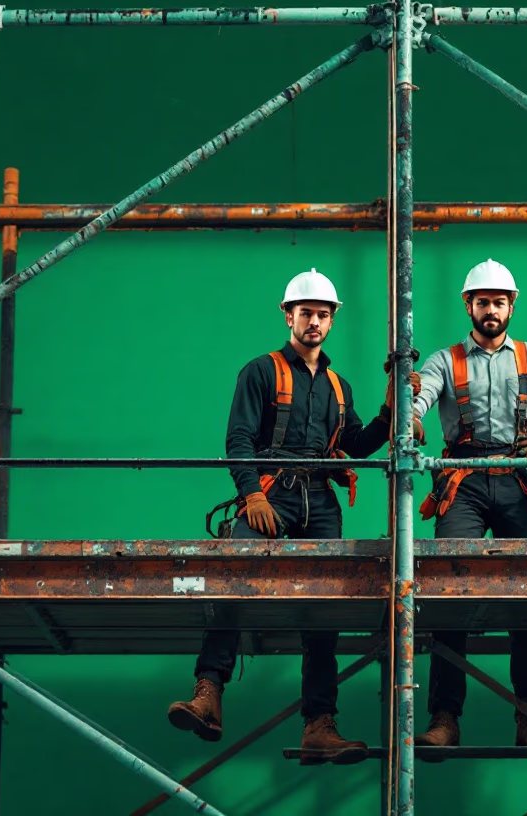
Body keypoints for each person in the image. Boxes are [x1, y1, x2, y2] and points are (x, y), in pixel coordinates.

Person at [168, 268, 403, 765]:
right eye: (306, 313)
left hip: (319, 499)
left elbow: (354, 446)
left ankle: (320, 722)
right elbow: (238, 438)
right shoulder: (260, 371)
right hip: (270, 492)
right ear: (288, 315)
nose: (314, 322)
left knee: (324, 610)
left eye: (322, 314)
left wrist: (387, 416)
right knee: (233, 575)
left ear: (332, 320)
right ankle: (208, 693)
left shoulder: (339, 386)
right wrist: (251, 495)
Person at [412, 259, 527, 757]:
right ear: (469, 305)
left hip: (517, 479)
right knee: (449, 590)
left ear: (512, 306)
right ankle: (444, 718)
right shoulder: (445, 361)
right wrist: (413, 415)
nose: (492, 310)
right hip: (463, 482)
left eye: (500, 302)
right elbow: (420, 394)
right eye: (483, 301)